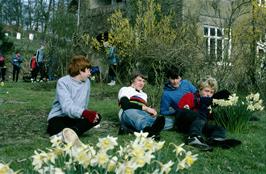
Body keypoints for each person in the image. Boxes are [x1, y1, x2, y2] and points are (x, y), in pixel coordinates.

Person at [47, 55, 101, 137]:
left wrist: (86, 116)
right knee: (55, 125)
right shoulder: (63, 82)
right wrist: (85, 113)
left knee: (97, 117)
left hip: (76, 117)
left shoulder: (87, 82)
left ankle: (72, 132)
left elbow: (84, 104)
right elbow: (66, 107)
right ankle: (71, 132)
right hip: (60, 116)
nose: (90, 73)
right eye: (88, 70)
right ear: (80, 71)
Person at [118, 72, 165, 140]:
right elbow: (125, 104)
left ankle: (149, 129)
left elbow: (145, 110)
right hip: (129, 111)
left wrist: (151, 112)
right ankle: (150, 132)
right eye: (139, 80)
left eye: (143, 81)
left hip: (143, 114)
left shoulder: (144, 94)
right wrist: (146, 108)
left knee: (167, 121)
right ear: (132, 80)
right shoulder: (126, 89)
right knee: (139, 118)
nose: (142, 83)